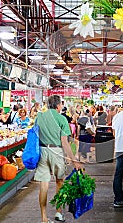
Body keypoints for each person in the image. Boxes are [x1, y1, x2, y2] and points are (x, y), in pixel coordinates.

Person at [34, 95, 81, 223]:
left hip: (42, 151)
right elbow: (65, 142)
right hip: (57, 152)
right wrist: (73, 160)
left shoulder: (39, 117)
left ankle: (44, 217)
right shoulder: (61, 119)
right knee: (59, 182)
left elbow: (35, 134)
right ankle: (58, 212)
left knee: (43, 185)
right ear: (58, 105)